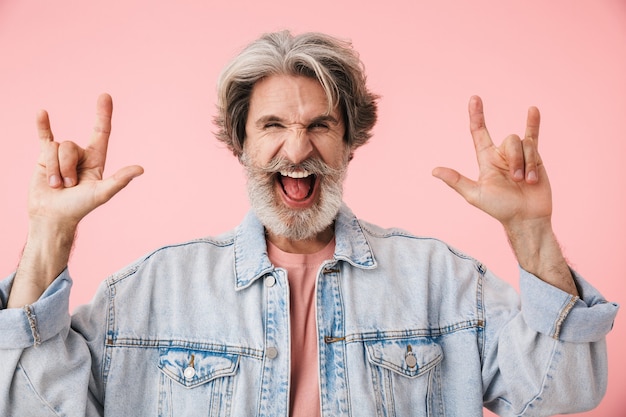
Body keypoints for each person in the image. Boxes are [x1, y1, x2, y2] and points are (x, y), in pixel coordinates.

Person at [0, 30, 618, 417]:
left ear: (349, 144)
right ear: (239, 145)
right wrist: (50, 234)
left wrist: (532, 234)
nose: (297, 151)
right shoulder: (148, 292)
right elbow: (27, 404)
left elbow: (559, 393)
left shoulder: (444, 282)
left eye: (320, 125)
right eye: (272, 126)